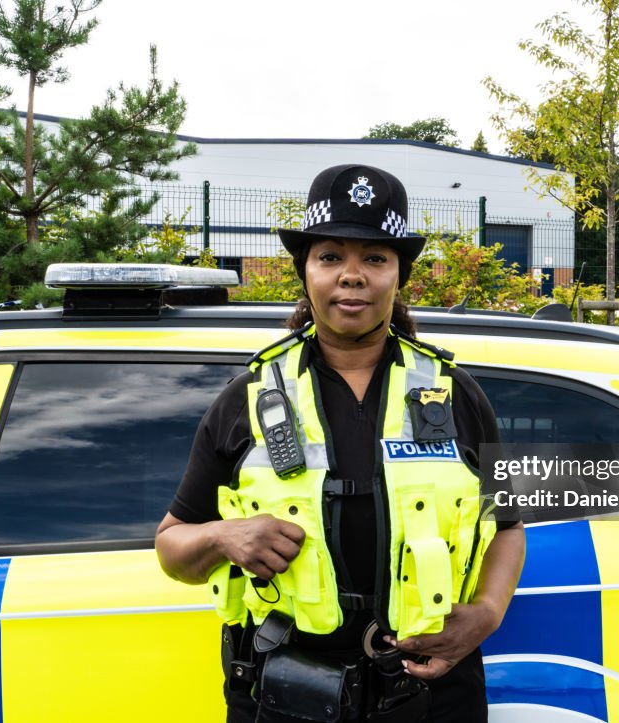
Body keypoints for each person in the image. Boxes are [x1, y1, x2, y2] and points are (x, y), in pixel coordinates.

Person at [156, 164, 525, 723]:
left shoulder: (456, 395)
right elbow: (172, 548)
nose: (352, 276)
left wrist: (489, 612)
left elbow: (507, 525)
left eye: (374, 258)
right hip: (286, 695)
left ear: (399, 274)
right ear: (305, 271)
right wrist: (224, 535)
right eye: (331, 257)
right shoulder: (246, 398)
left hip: (433, 697)